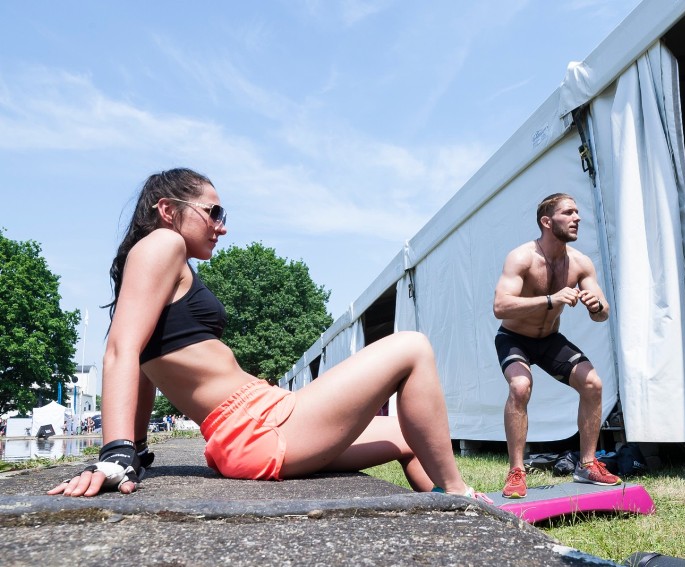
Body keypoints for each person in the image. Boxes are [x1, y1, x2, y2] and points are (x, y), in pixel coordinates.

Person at [48, 168, 489, 501]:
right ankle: (460, 495)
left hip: (260, 423)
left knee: (407, 438)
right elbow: (121, 351)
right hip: (260, 425)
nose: (222, 225)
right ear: (167, 210)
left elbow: (142, 362)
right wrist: (117, 451)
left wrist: (138, 449)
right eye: (213, 212)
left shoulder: (156, 268)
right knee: (411, 346)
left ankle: (445, 511)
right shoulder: (164, 244)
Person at [493, 193, 620, 499]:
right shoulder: (522, 257)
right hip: (514, 338)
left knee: (593, 384)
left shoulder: (580, 263)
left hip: (549, 340)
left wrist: (596, 305)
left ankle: (588, 464)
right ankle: (517, 470)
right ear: (547, 222)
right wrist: (551, 299)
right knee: (520, 387)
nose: (577, 218)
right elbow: (500, 306)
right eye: (568, 213)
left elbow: (603, 315)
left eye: (578, 212)